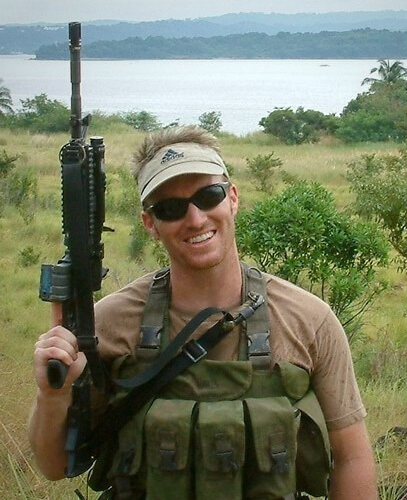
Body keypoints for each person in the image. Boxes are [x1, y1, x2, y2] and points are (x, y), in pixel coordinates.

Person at [29, 125, 377, 499]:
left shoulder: (308, 320)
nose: (195, 220)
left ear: (232, 198)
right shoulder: (110, 322)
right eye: (170, 208)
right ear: (150, 224)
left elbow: (352, 457)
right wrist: (53, 395)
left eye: (208, 196)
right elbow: (54, 466)